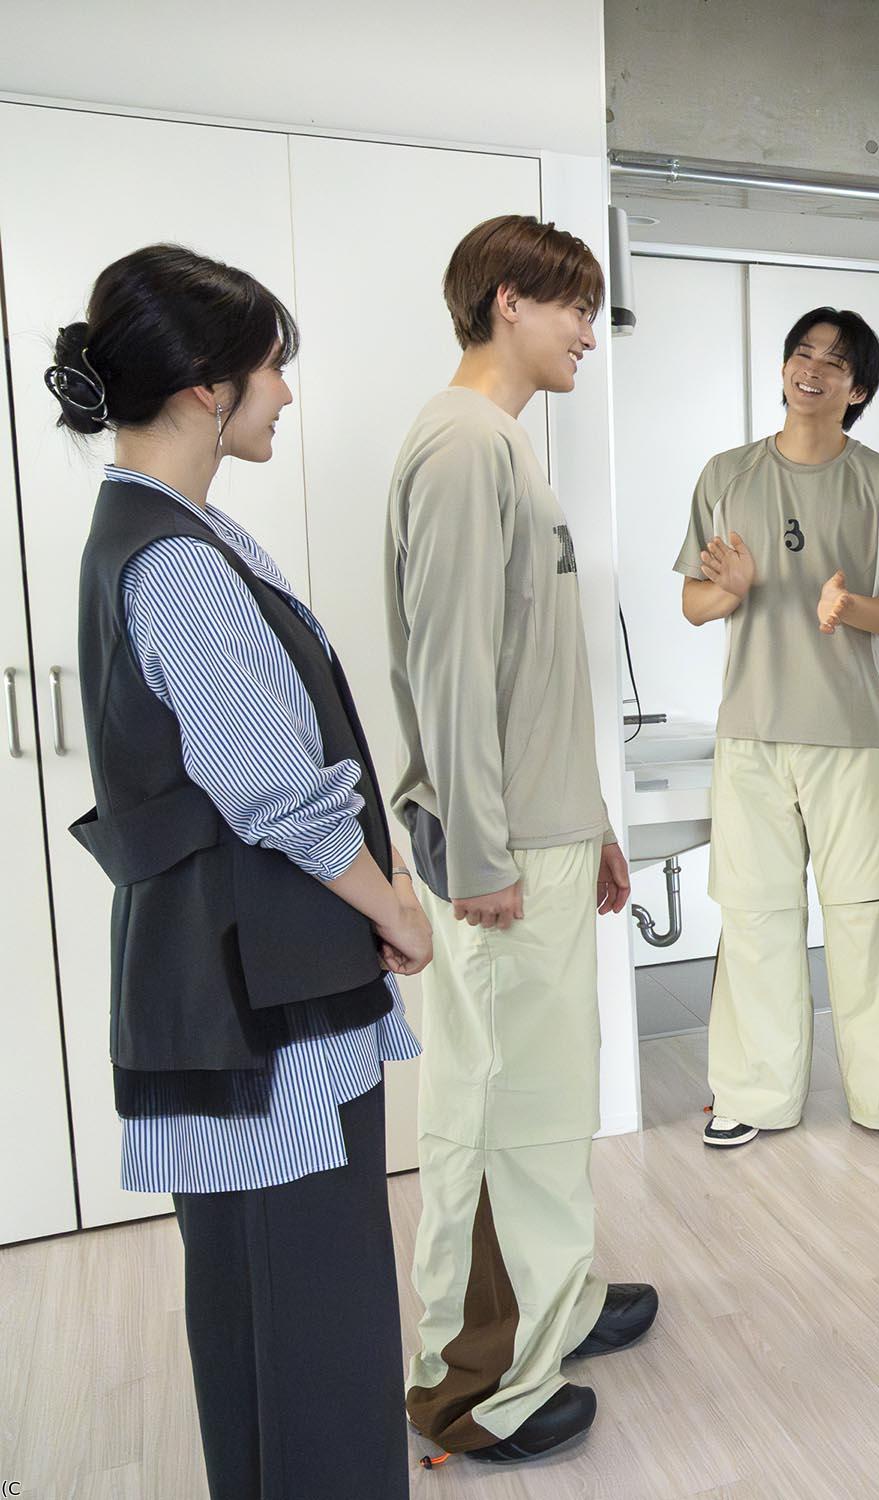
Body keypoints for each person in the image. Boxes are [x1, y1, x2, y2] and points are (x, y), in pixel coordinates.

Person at [55, 244, 429, 1500]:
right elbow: (278, 793)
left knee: (270, 1307)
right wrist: (395, 909)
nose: (286, 392)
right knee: (311, 1318)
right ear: (207, 388)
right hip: (254, 994)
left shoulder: (172, 532)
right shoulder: (175, 561)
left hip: (237, 975)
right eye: (272, 367)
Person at [388, 215, 658, 1465]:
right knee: (494, 1112)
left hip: (544, 836)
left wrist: (588, 821)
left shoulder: (506, 447)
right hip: (499, 851)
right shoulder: (461, 445)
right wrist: (484, 849)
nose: (588, 334)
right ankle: (475, 1387)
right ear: (508, 300)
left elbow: (539, 674)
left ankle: (559, 1303)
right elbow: (449, 671)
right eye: (574, 309)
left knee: (543, 1103)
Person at [678, 307, 879, 1149]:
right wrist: (733, 590)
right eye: (803, 354)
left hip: (854, 735)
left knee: (869, 916)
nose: (813, 370)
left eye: (834, 363)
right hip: (752, 734)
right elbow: (693, 603)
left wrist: (849, 606)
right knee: (755, 916)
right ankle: (753, 1096)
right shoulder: (727, 474)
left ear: (857, 389)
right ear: (785, 368)